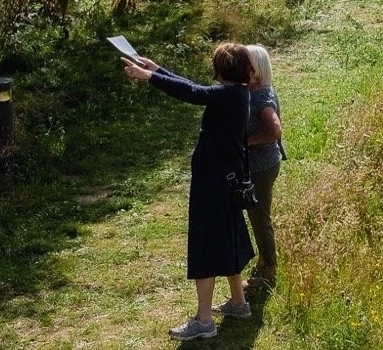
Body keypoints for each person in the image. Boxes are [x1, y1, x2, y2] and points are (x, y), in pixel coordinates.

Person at [120, 43, 255, 341]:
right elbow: (195, 88)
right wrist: (156, 69)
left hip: (213, 183)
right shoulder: (237, 93)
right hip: (227, 180)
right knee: (228, 237)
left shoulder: (225, 96)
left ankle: (204, 320)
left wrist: (147, 77)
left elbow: (193, 93)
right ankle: (238, 302)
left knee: (206, 243)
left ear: (221, 69)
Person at [242, 45, 285, 292]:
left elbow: (275, 130)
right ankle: (263, 262)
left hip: (262, 166)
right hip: (261, 165)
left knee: (260, 219)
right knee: (257, 216)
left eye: (245, 64)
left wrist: (247, 141)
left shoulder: (261, 97)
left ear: (256, 69)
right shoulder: (257, 90)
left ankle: (268, 271)